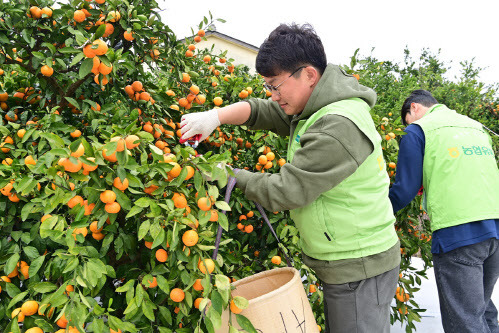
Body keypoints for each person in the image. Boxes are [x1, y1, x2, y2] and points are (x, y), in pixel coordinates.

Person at [181, 23, 400, 332]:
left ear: (308, 75)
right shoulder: (314, 106)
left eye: (275, 85)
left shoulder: (337, 125)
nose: (272, 95)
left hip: (358, 266)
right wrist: (215, 117)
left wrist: (228, 176)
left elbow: (286, 191)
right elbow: (262, 111)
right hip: (343, 259)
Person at [389, 89, 499, 333]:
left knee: (465, 322)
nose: (407, 126)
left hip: (459, 233)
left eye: (406, 119)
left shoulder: (419, 130)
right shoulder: (474, 126)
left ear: (414, 108)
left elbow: (404, 189)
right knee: (482, 311)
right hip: (495, 229)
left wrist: (378, 212)